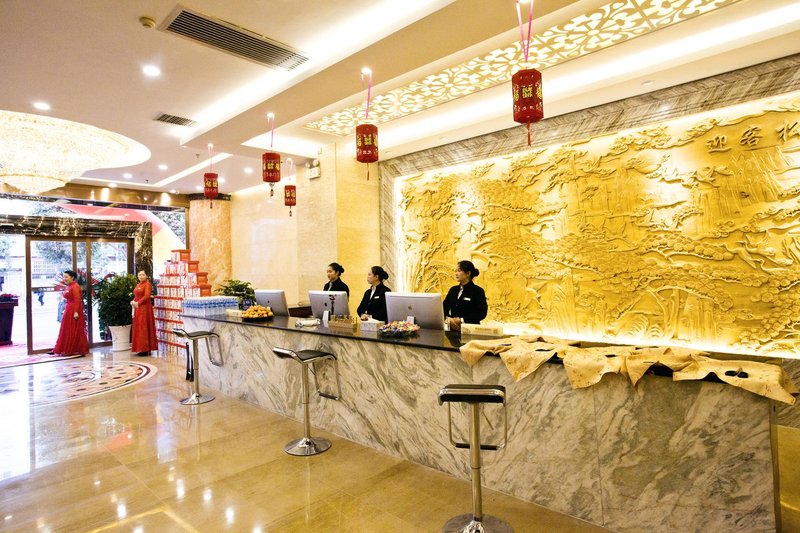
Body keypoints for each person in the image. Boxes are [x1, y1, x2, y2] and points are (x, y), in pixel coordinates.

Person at [50, 270, 89, 356]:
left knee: (73, 329)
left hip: (73, 309)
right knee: (66, 328)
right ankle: (63, 348)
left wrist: (76, 312)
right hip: (68, 308)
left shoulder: (75, 286)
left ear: (72, 277)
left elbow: (77, 300)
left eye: (66, 277)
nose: (64, 278)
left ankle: (73, 349)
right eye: (64, 277)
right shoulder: (69, 286)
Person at [442, 260, 488, 332]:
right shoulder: (453, 290)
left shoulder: (478, 291)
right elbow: (444, 308)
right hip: (453, 331)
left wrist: (461, 320)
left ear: (468, 273)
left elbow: (481, 313)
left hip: (471, 331)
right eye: (455, 271)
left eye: (459, 271)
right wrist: (448, 319)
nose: (456, 273)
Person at [131, 270, 158, 356]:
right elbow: (136, 296)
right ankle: (139, 348)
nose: (141, 276)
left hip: (145, 308)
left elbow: (147, 296)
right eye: (139, 275)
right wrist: (133, 301)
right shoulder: (138, 285)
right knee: (138, 327)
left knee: (143, 327)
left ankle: (145, 349)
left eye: (143, 275)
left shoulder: (147, 284)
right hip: (138, 308)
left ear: (146, 276)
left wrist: (138, 303)